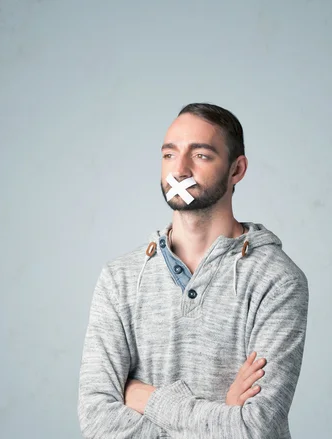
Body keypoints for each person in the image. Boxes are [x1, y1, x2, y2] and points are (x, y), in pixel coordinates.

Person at [77, 103, 309, 438]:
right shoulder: (120, 279)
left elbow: (253, 428)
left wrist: (148, 398)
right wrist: (220, 417)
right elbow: (98, 423)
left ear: (237, 170)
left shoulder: (277, 280)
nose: (180, 170)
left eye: (200, 155)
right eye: (169, 155)